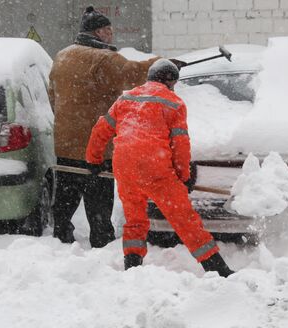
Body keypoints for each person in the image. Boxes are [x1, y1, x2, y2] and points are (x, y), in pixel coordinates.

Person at [86, 59, 235, 277]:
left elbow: (101, 129)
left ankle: (133, 265)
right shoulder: (174, 103)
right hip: (155, 167)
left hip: (125, 166)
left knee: (134, 219)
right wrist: (184, 176)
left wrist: (93, 160)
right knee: (185, 220)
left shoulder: (125, 98)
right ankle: (217, 268)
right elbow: (180, 144)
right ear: (171, 81)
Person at [48, 6, 161, 247]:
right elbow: (133, 73)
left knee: (67, 194)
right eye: (107, 30)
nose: (111, 35)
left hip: (66, 142)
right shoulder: (103, 58)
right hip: (95, 144)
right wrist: (160, 64)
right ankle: (101, 240)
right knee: (98, 195)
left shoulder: (63, 55)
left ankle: (60, 237)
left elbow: (52, 96)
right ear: (97, 32)